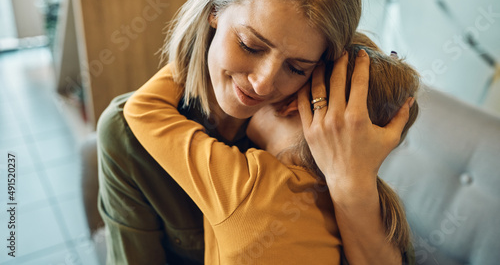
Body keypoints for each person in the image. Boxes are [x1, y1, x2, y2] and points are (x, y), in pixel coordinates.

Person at [96, 0, 410, 263]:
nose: (262, 84)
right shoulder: (127, 137)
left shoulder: (327, 120)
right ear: (214, 9)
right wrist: (192, 54)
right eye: (249, 45)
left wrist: (353, 187)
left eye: (296, 67)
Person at [123, 40, 420, 264]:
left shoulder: (247, 185)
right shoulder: (369, 211)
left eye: (293, 70)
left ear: (290, 104)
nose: (259, 82)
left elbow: (142, 109)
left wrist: (213, 41)